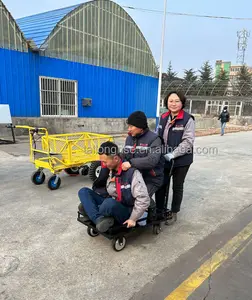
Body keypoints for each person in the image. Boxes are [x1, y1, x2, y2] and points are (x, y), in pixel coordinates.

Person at [78, 141, 150, 233]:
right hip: (113, 202)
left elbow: (143, 199)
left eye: (105, 162)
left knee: (107, 204)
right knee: (83, 191)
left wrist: (133, 219)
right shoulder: (110, 170)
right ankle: (98, 219)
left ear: (115, 158)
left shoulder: (132, 173)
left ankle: (91, 211)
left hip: (126, 210)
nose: (103, 165)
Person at [155, 91, 195, 225]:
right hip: (164, 158)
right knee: (161, 184)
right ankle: (159, 210)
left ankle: (174, 212)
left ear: (182, 103)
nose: (173, 103)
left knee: (177, 187)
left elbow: (188, 141)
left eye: (177, 101)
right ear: (167, 102)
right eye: (171, 101)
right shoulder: (163, 117)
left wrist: (173, 154)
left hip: (181, 160)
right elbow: (157, 136)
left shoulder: (188, 119)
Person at [121, 110, 165, 203]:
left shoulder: (154, 139)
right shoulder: (129, 138)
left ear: (141, 127)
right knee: (123, 195)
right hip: (134, 176)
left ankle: (152, 213)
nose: (129, 129)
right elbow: (124, 155)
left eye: (131, 126)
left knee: (140, 199)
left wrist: (131, 163)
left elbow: (152, 160)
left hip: (151, 178)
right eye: (128, 126)